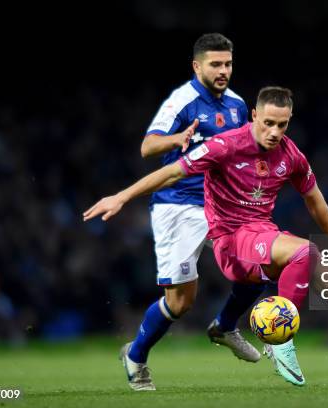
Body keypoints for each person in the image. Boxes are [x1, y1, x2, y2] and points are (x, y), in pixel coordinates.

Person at [84, 86, 328, 386]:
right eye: (268, 122)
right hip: (231, 241)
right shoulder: (225, 146)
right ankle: (279, 343)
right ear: (253, 115)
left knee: (327, 273)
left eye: (283, 124)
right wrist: (121, 196)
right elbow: (172, 173)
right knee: (305, 253)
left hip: (262, 234)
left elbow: (315, 199)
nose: (275, 131)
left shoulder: (290, 154)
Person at [120, 33, 263, 391]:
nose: (223, 70)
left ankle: (225, 326)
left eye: (228, 63)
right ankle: (136, 355)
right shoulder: (181, 101)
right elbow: (147, 147)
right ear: (197, 66)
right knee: (181, 302)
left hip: (223, 205)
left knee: (258, 265)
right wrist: (177, 139)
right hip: (178, 206)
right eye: (215, 64)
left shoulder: (237, 104)